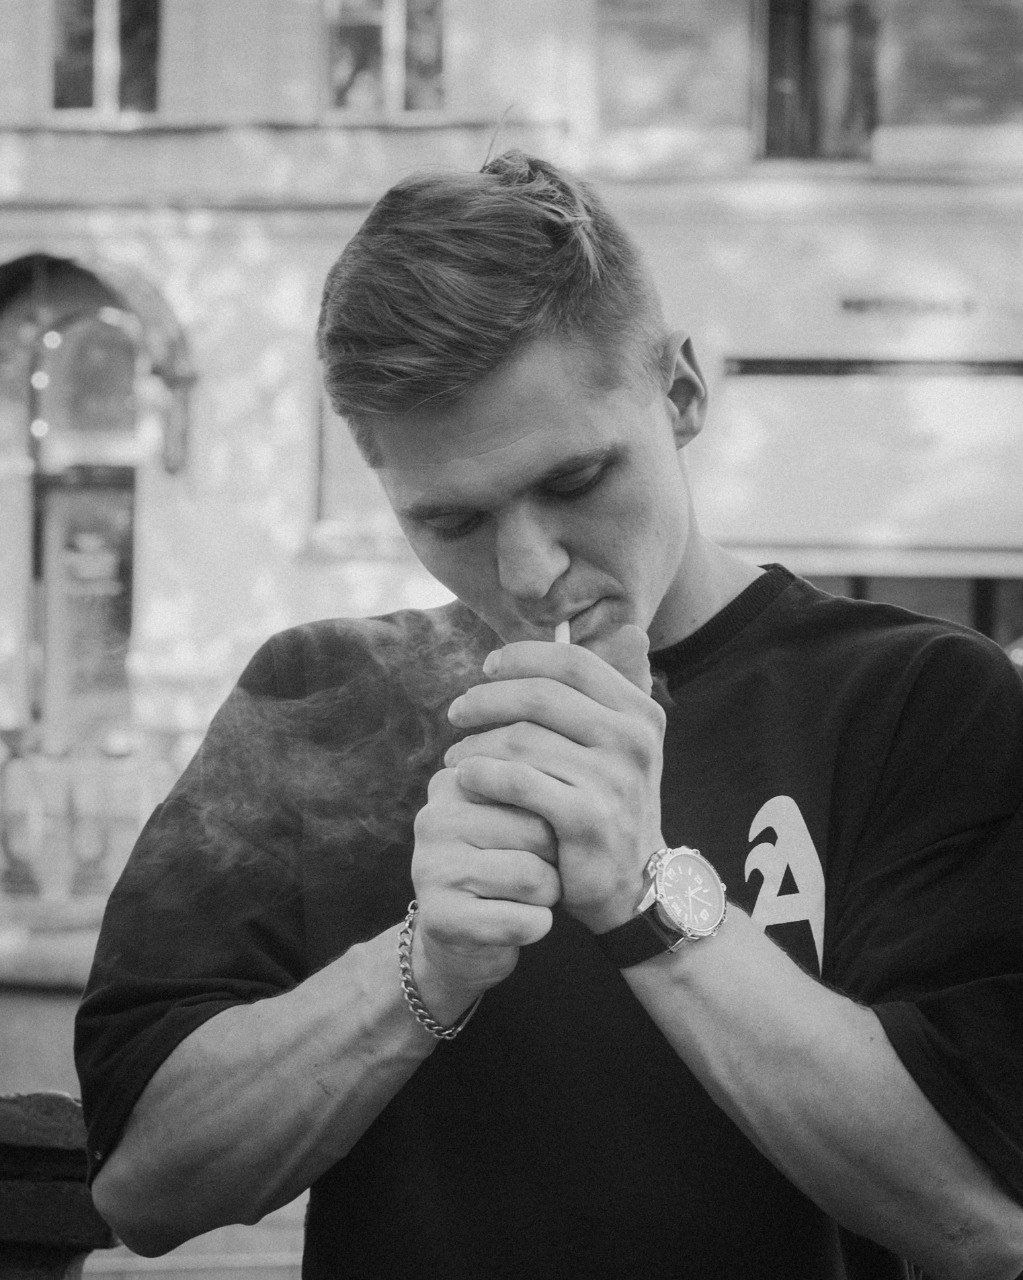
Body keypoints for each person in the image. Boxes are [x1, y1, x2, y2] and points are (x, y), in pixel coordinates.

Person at [75, 152, 1023, 1280]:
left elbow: (979, 1217)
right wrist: (426, 965)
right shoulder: (317, 695)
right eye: (451, 520)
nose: (528, 570)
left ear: (681, 393)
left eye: (574, 481)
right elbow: (142, 1185)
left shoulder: (917, 699)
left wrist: (646, 894)